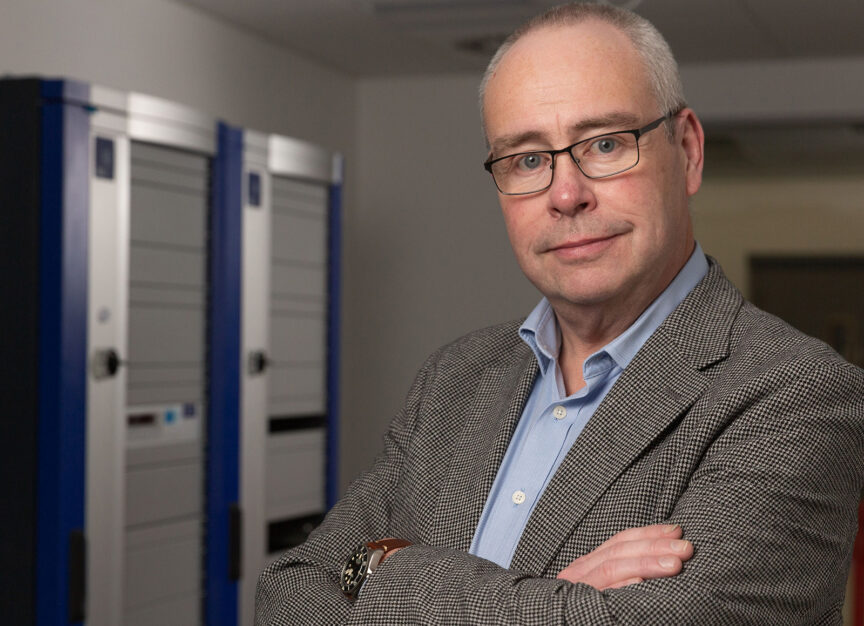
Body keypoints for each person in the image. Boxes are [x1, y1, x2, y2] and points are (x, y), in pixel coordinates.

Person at [256, 3, 864, 624]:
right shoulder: (454, 379)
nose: (566, 194)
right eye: (526, 159)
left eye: (604, 144)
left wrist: (379, 573)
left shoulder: (799, 394)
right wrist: (552, 601)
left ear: (687, 150)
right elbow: (286, 596)